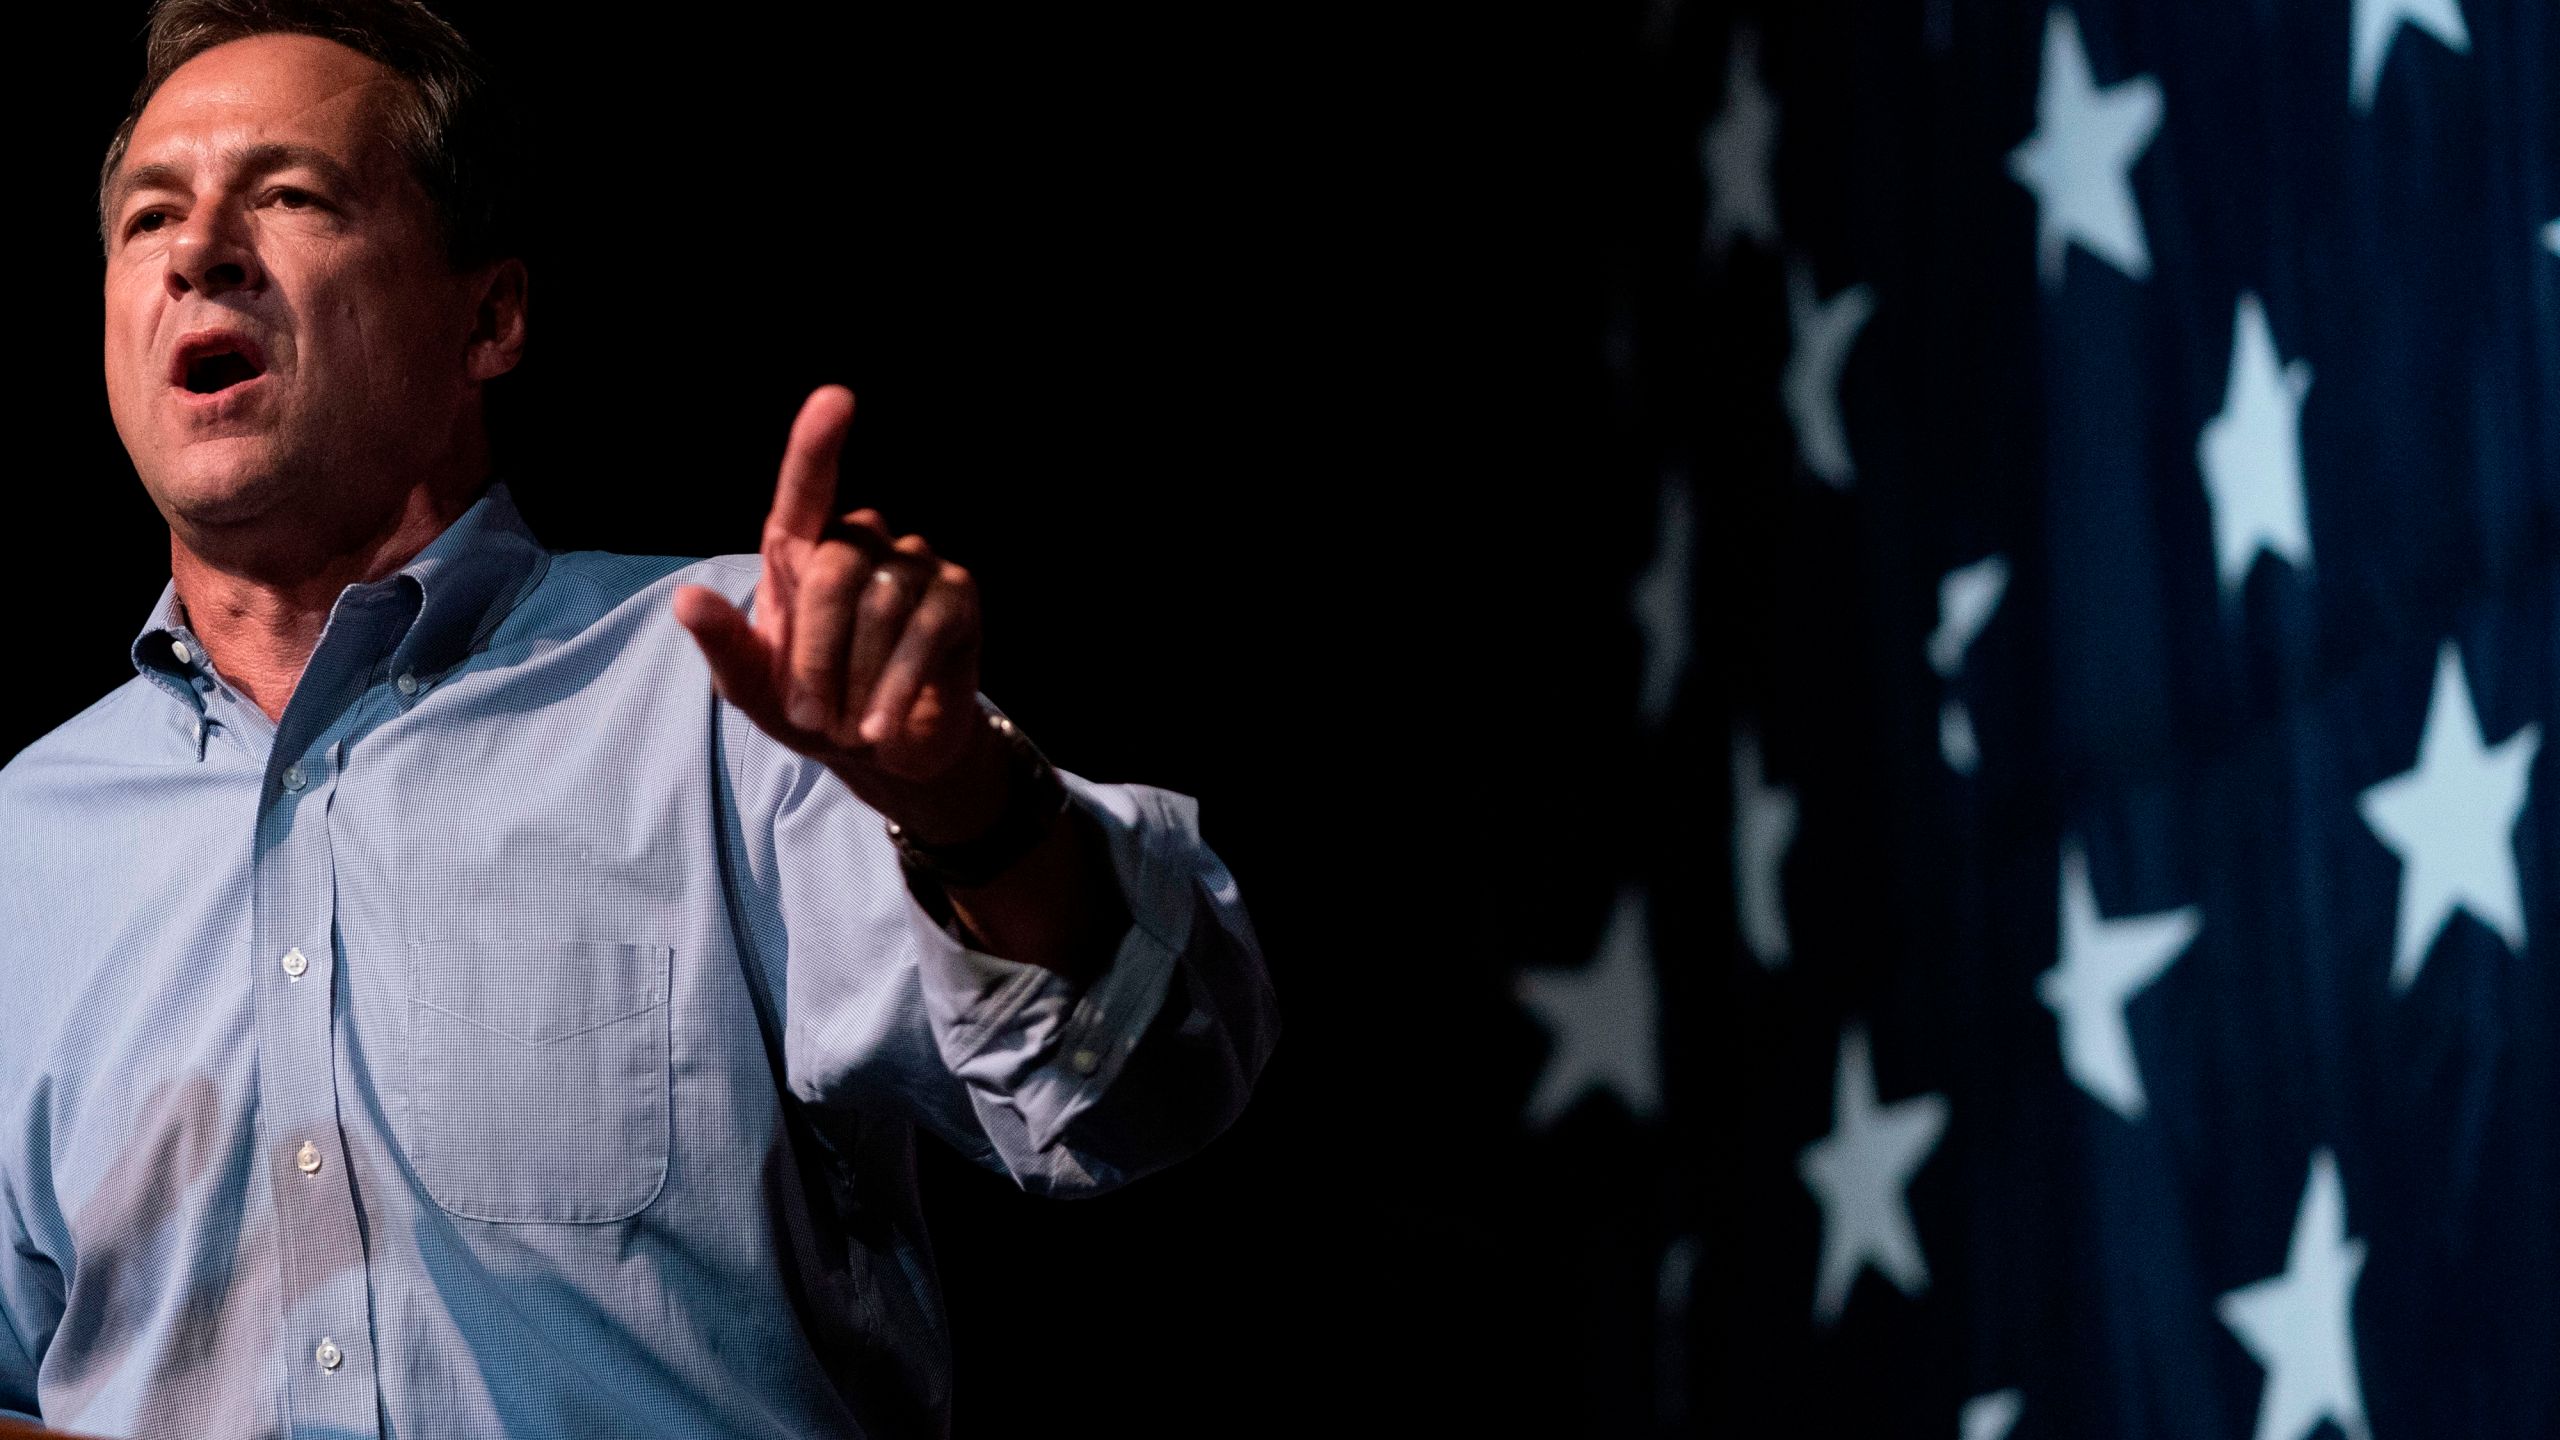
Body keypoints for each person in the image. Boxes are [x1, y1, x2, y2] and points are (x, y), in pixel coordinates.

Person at [0, 2, 1278, 1435]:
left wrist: (968, 805)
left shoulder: (725, 695)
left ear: (488, 316)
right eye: (147, 217)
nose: (199, 252)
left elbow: (1144, 1096)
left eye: (292, 196)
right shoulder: (24, 842)